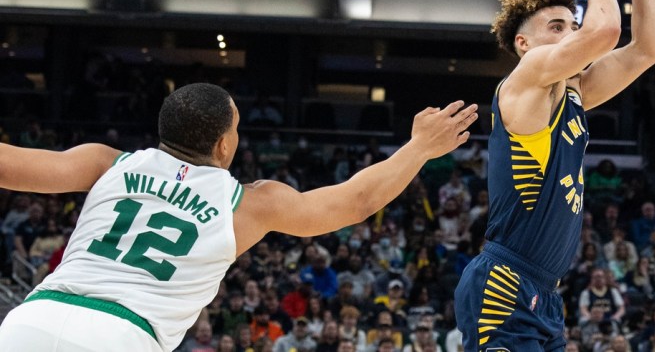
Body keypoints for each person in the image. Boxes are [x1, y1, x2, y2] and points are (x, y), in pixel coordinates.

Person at [0, 83, 478, 352]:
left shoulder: (106, 162)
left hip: (32, 320)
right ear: (225, 144)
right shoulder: (249, 202)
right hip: (122, 336)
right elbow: (353, 202)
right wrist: (418, 148)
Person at [453, 0, 655, 349]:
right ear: (524, 43)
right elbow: (606, 29)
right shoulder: (525, 79)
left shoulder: (576, 93)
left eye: (573, 25)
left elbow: (651, 47)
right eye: (557, 27)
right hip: (504, 285)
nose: (571, 34)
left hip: (544, 294)